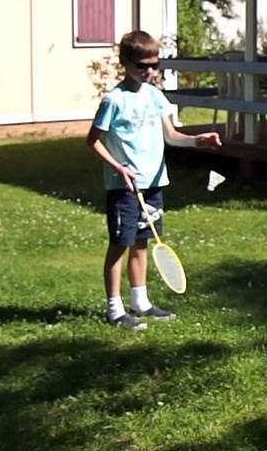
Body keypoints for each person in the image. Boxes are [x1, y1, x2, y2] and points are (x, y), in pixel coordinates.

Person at [87, 30, 221, 330]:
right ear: (126, 62)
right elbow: (93, 141)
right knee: (120, 244)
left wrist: (198, 140)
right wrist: (118, 167)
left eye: (154, 66)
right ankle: (114, 308)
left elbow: (172, 137)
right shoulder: (114, 100)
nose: (149, 72)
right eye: (142, 66)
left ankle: (141, 302)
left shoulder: (155, 97)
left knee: (141, 243)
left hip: (153, 184)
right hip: (125, 187)